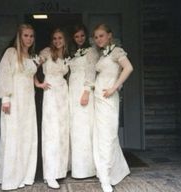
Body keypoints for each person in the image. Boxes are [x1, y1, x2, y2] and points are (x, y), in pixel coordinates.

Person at [0, 24, 38, 190]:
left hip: (28, 103)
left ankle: (26, 175)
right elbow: (4, 74)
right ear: (19, 37)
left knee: (27, 137)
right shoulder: (11, 53)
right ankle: (12, 177)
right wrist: (5, 98)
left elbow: (31, 77)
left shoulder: (31, 55)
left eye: (31, 36)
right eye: (26, 35)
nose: (29, 39)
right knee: (13, 137)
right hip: (13, 100)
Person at [92, 24, 133, 192]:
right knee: (101, 135)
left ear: (109, 35)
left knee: (108, 136)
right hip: (98, 98)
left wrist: (114, 87)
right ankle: (108, 170)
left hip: (109, 98)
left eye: (101, 35)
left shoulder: (116, 51)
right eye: (95, 37)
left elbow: (129, 68)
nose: (98, 39)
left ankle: (106, 177)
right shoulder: (103, 53)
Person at [34, 28, 69, 189]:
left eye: (60, 38)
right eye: (54, 38)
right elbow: (31, 66)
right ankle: (50, 174)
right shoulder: (46, 52)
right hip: (51, 93)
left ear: (64, 39)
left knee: (62, 132)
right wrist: (37, 83)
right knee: (51, 132)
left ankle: (60, 170)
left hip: (64, 93)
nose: (57, 41)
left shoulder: (67, 55)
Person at [69, 24, 98, 178]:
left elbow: (91, 72)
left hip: (83, 91)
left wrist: (86, 91)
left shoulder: (91, 52)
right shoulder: (74, 54)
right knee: (75, 128)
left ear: (86, 36)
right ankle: (77, 166)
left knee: (85, 127)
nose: (79, 39)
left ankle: (87, 168)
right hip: (72, 93)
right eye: (76, 36)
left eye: (82, 35)